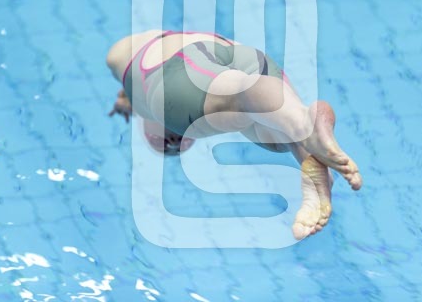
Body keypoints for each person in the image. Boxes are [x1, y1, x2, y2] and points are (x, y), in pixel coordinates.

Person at [107, 29, 362, 240]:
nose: (174, 141)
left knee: (239, 100)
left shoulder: (152, 97)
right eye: (178, 145)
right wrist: (127, 99)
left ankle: (305, 123)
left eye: (164, 143)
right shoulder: (126, 60)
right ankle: (314, 166)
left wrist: (130, 100)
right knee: (277, 136)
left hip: (187, 71)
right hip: (244, 57)